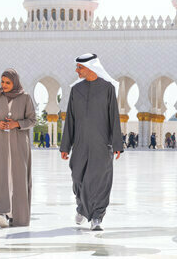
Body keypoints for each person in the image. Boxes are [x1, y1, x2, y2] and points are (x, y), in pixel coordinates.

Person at [60, 53, 123, 231]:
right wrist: (66, 146)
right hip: (80, 144)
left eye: (79, 67)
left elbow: (114, 117)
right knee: (78, 177)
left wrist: (117, 144)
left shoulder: (107, 88)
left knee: (100, 180)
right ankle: (81, 207)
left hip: (101, 144)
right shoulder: (76, 90)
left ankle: (97, 216)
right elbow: (70, 120)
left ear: (91, 68)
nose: (76, 70)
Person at [0, 69, 36, 228]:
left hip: (19, 145)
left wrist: (17, 124)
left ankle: (17, 216)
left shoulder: (25, 97)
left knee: (17, 178)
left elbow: (32, 120)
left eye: (8, 82)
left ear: (15, 82)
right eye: (2, 82)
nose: (4, 85)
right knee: (1, 176)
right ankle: (1, 212)